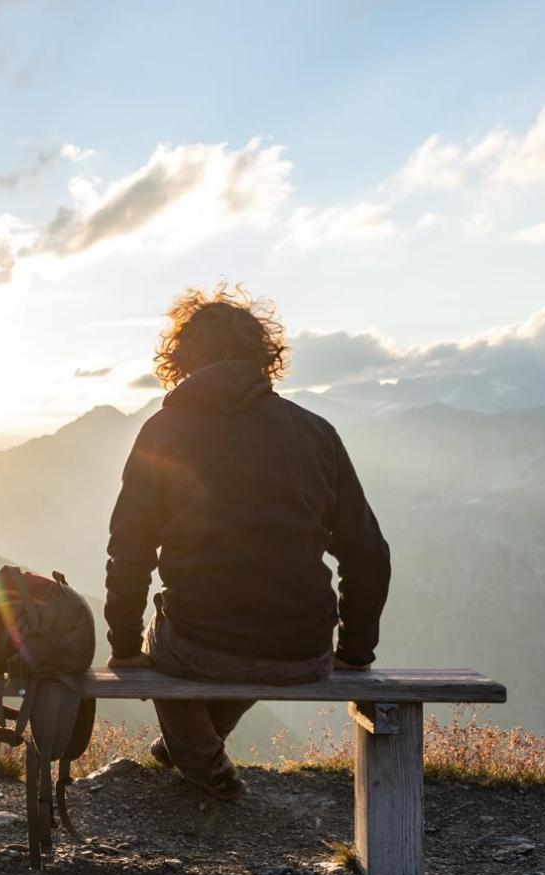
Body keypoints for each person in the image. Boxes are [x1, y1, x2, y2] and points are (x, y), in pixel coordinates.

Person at [103, 283, 391, 801]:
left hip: (199, 646)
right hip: (302, 648)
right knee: (251, 629)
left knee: (163, 637)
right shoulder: (315, 432)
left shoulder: (164, 431)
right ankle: (185, 746)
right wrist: (354, 650)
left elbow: (130, 547)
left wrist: (123, 646)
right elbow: (368, 552)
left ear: (183, 357)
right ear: (263, 355)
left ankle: (206, 767)